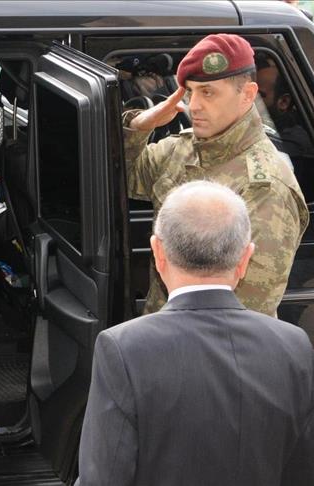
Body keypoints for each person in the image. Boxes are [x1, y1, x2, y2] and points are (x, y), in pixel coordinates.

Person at [77, 180, 314, 486]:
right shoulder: (293, 345)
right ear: (245, 259)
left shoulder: (123, 349)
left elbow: (103, 477)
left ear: (158, 252)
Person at [124, 33, 308, 317]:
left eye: (207, 92)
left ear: (247, 95)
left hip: (207, 341)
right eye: (190, 91)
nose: (194, 105)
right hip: (161, 328)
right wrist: (138, 126)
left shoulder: (266, 186)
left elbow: (243, 314)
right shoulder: (184, 148)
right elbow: (125, 178)